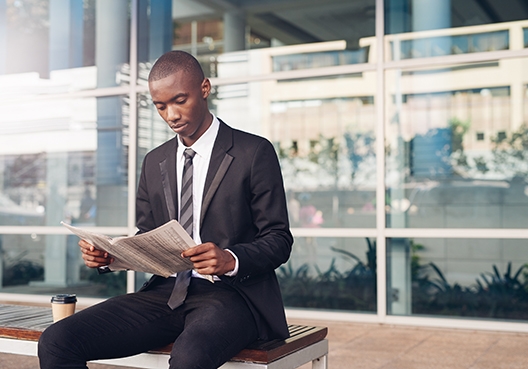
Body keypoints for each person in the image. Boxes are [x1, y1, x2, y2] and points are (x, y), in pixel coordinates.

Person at [38, 50, 293, 369]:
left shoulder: (253, 152)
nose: (171, 115)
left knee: (189, 359)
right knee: (57, 341)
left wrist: (230, 259)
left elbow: (279, 239)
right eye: (160, 106)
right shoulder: (154, 160)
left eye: (179, 100)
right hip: (166, 292)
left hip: (232, 296)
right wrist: (113, 256)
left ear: (204, 88)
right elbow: (148, 235)